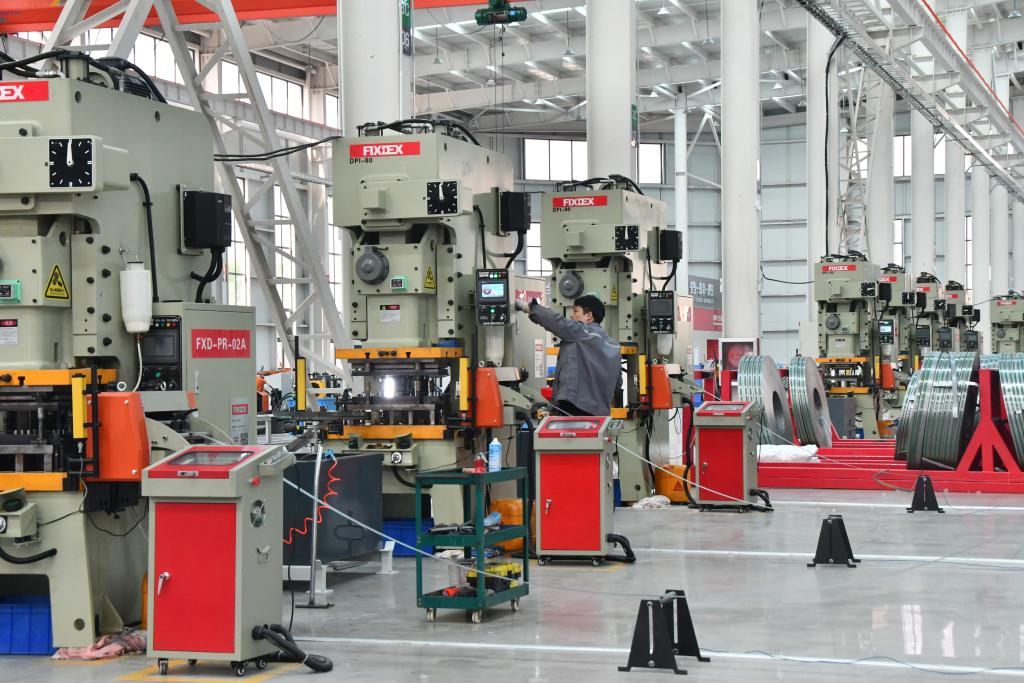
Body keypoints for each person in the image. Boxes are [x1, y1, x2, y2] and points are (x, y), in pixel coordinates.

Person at [515, 294, 620, 417]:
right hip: (600, 414)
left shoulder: (581, 332)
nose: (572, 316)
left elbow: (555, 321)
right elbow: (617, 383)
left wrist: (529, 308)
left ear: (588, 315)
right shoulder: (614, 346)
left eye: (576, 311)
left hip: (574, 408)